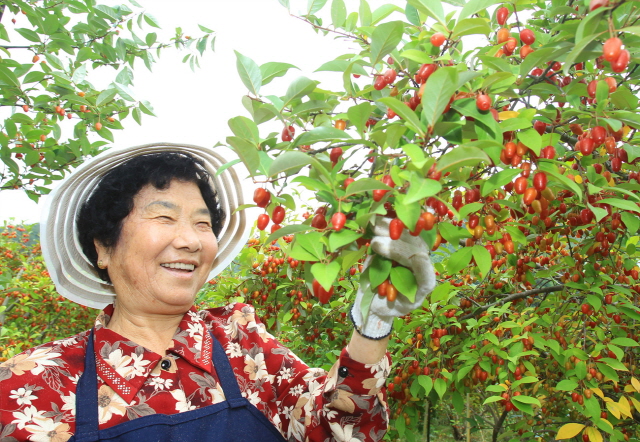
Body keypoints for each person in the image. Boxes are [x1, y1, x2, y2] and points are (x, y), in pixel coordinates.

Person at [0, 143, 435, 442]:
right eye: (165, 218)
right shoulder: (33, 384)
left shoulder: (241, 341)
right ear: (103, 246)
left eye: (203, 223)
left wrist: (374, 323)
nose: (190, 240)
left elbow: (339, 428)